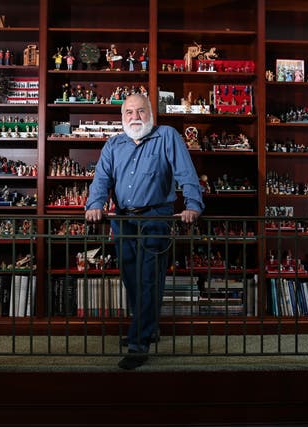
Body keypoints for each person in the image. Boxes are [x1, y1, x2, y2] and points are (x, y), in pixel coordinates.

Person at [85, 93, 203, 369]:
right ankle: (147, 328)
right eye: (129, 112)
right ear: (122, 116)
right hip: (122, 221)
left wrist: (193, 206)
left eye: (140, 111)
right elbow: (101, 179)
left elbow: (186, 173)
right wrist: (94, 204)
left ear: (151, 114)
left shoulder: (167, 136)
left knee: (149, 279)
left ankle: (139, 344)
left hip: (155, 219)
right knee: (131, 279)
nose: (134, 117)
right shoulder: (113, 144)